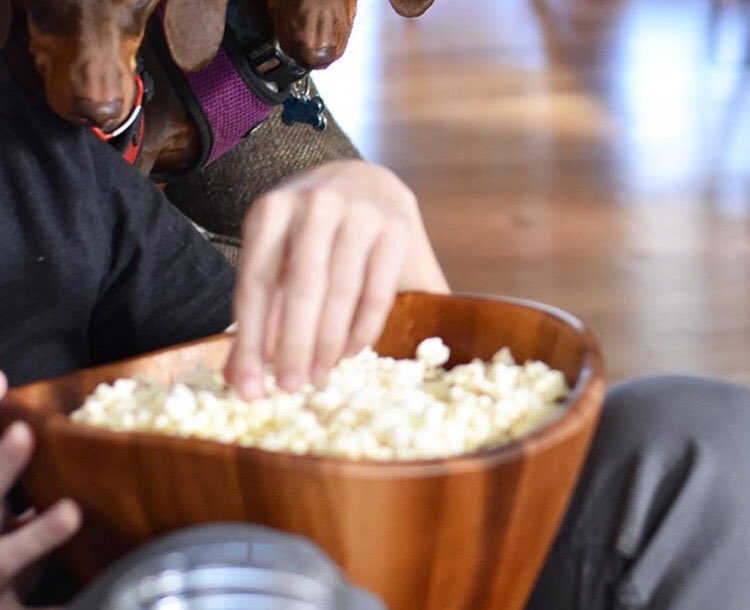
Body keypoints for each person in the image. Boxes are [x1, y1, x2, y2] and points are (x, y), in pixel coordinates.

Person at [3, 65, 750, 610]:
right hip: (176, 582)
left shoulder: (35, 158)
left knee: (704, 445)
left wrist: (386, 244)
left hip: (299, 539)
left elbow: (255, 383)